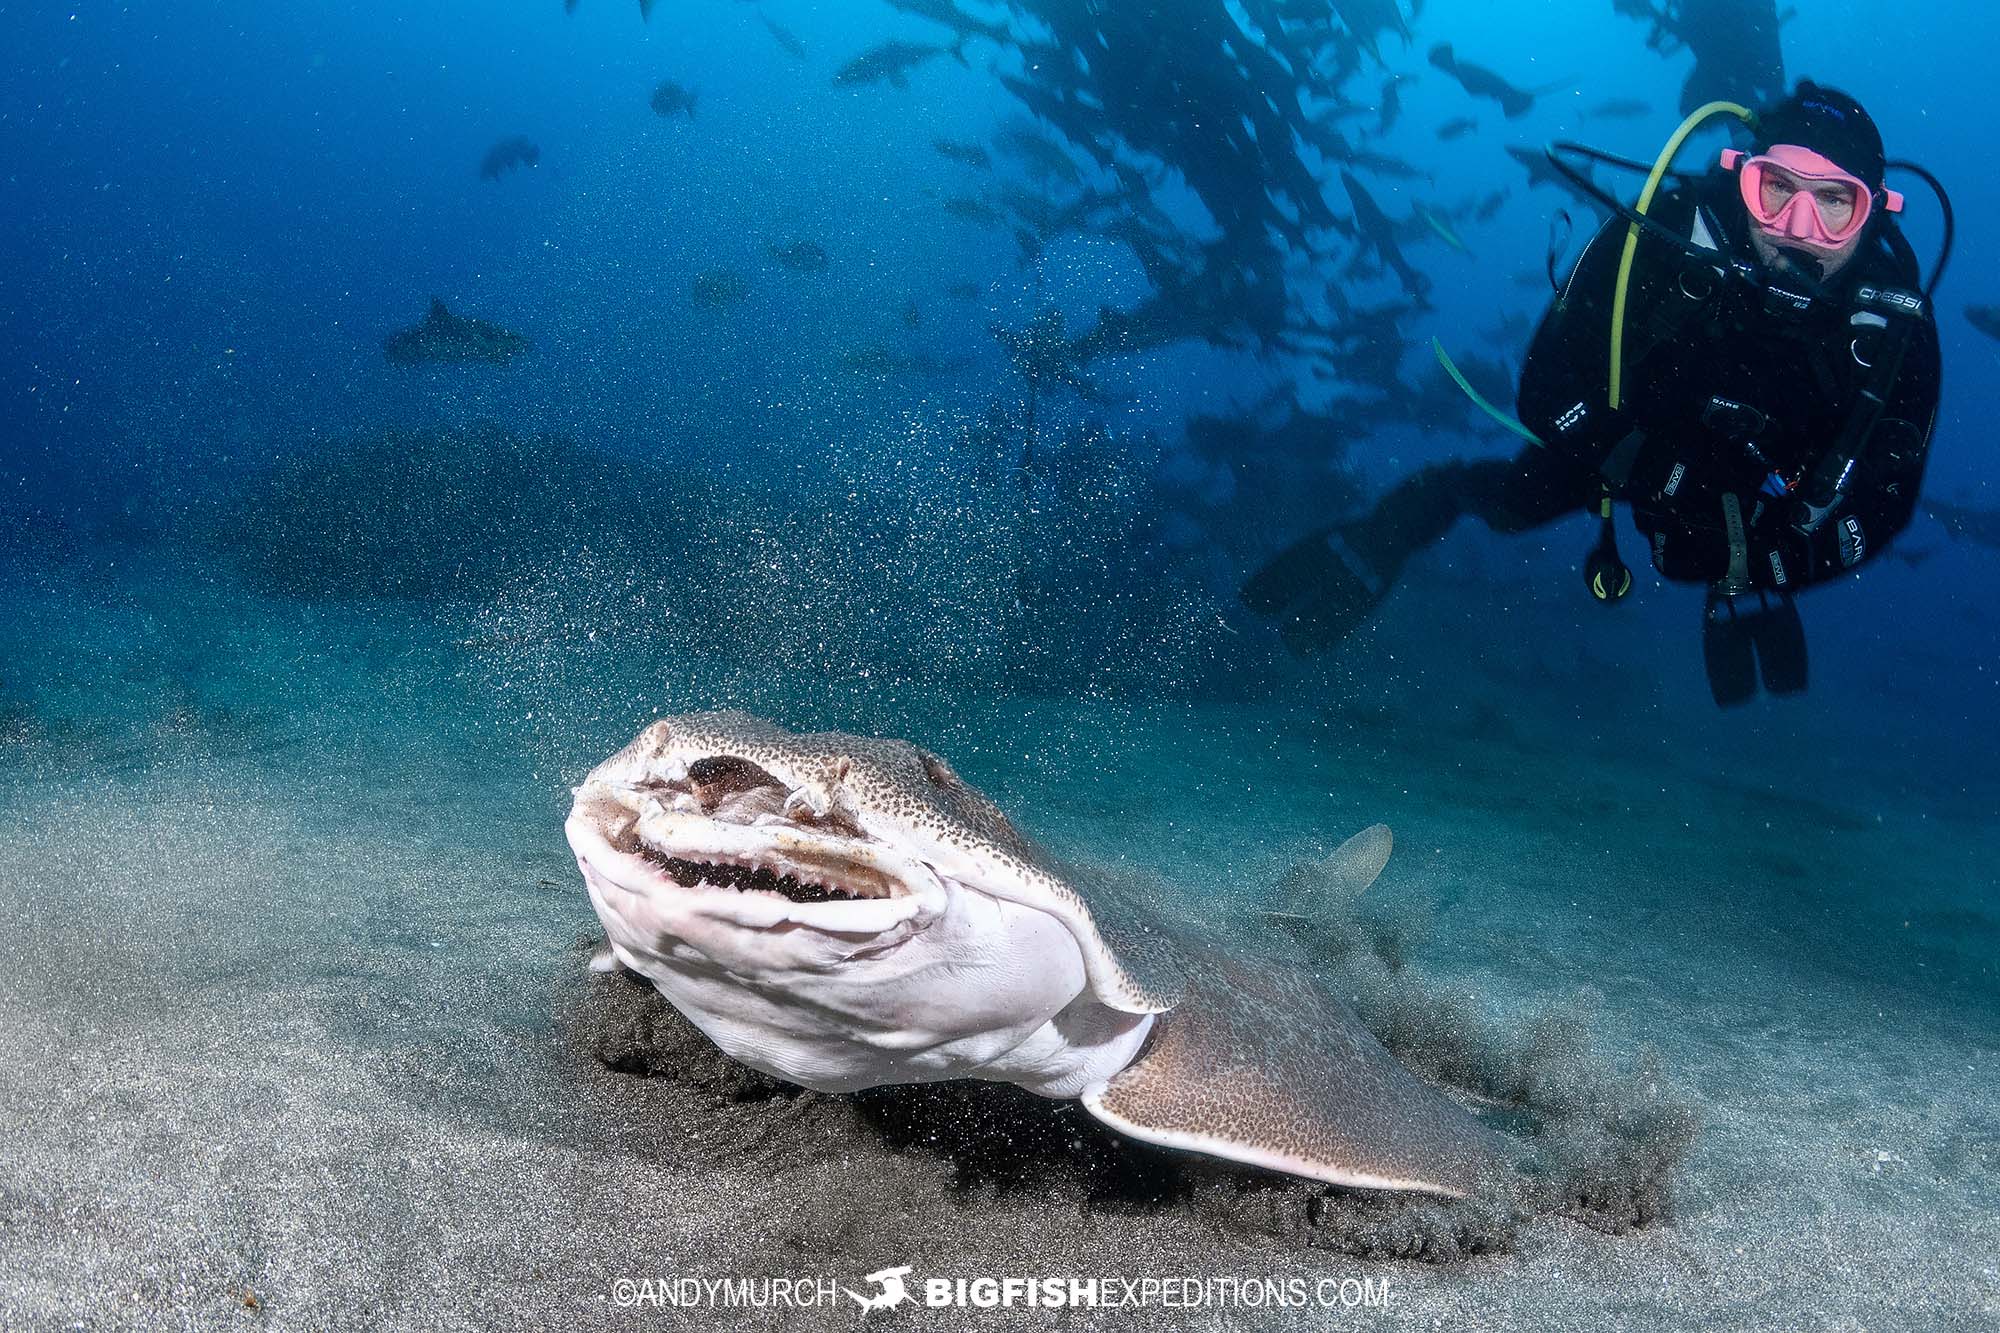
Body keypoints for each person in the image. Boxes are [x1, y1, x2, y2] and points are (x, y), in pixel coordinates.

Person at [1241, 82, 1943, 705]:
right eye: (1777, 188)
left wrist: (1773, 562)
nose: (1797, 228)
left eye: (1835, 204)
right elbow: (1546, 389)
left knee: (1728, 556)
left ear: (1876, 214)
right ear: (1741, 179)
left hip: (1763, 496)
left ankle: (1739, 583)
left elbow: (1888, 495)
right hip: (1621, 444)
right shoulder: (1662, 238)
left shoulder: (1891, 327)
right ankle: (1383, 534)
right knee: (1511, 504)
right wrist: (1655, 473)